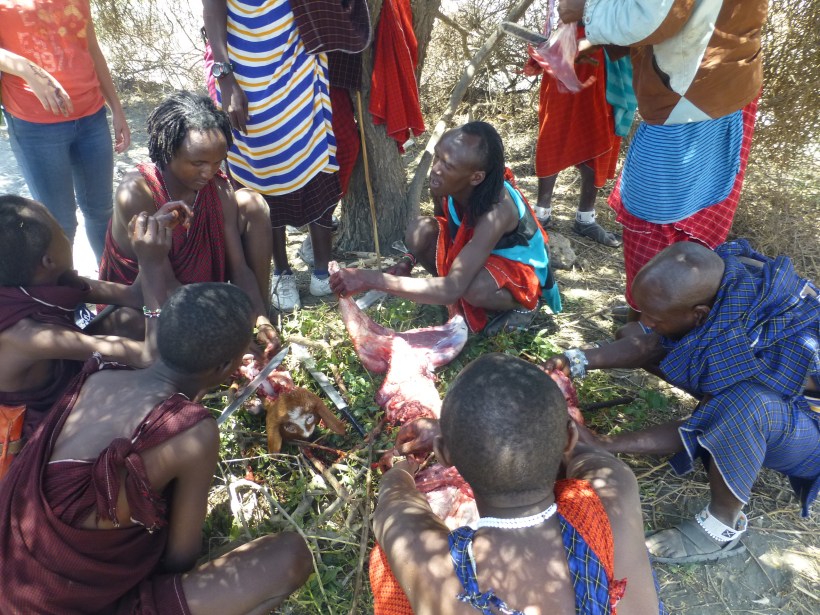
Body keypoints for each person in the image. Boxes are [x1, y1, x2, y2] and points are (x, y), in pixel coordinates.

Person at [0, 282, 312, 612]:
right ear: (224, 368)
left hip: (11, 573)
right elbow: (181, 556)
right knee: (290, 557)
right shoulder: (194, 432)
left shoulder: (100, 377)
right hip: (67, 605)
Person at [544, 241, 820, 564]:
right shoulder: (728, 286)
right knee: (635, 333)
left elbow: (712, 419)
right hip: (754, 389)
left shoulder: (751, 343)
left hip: (808, 433)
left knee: (745, 406)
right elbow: (650, 344)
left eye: (655, 316)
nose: (648, 321)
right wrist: (576, 360)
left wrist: (606, 444)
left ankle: (721, 527)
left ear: (699, 314)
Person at [372, 353, 663, 614]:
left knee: (385, 561)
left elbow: (392, 507)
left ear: (444, 454)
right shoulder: (615, 488)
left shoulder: (436, 567)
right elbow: (585, 454)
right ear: (568, 437)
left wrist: (404, 467)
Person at [557, 0, 765, 313]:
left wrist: (586, 10)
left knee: (654, 218)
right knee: (681, 221)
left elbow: (657, 15)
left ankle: (653, 321)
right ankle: (658, 314)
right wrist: (604, 36)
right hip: (712, 86)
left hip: (695, 96)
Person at [202, 0, 369, 311]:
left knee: (315, 157)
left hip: (298, 60)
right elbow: (213, 9)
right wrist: (225, 77)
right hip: (244, 73)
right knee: (262, 170)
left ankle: (322, 271)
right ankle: (282, 273)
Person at [330, 121, 561, 335]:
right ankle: (448, 294)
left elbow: (452, 287)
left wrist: (370, 278)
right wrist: (408, 260)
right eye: (437, 156)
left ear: (476, 177)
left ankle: (523, 305)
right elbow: (446, 230)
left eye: (448, 165)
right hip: (477, 253)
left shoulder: (497, 212)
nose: (436, 169)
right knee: (419, 232)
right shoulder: (445, 185)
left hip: (516, 267)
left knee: (473, 289)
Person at [98, 91, 279, 350]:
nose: (209, 172)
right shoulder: (138, 193)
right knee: (132, 326)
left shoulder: (217, 188)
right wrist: (228, 335)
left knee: (252, 202)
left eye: (217, 162)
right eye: (197, 163)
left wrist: (259, 319)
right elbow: (165, 285)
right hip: (149, 304)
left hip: (199, 297)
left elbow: (239, 268)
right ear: (169, 151)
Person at [0, 195, 168, 440]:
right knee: (156, 365)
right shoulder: (29, 335)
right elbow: (150, 357)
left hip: (68, 376)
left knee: (129, 320)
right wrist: (152, 264)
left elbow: (134, 297)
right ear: (48, 261)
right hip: (41, 433)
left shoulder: (43, 281)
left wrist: (155, 236)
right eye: (62, 233)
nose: (66, 237)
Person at [0, 1, 130, 262]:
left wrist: (116, 107)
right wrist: (24, 68)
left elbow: (90, 47)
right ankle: (64, 287)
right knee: (59, 224)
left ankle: (111, 282)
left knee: (101, 211)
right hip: (35, 124)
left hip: (92, 116)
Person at [526, 23, 631, 248]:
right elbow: (568, 10)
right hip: (569, 49)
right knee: (555, 130)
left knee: (598, 132)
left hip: (608, 56)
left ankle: (586, 218)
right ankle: (541, 215)